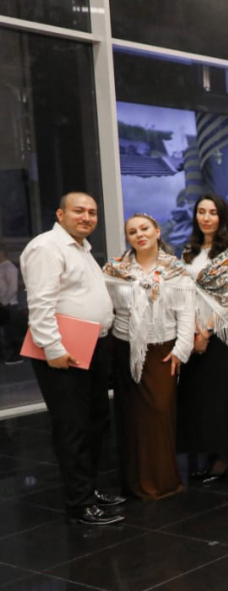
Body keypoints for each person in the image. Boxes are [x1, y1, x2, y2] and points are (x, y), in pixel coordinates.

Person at [22, 192, 124, 525]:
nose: (87, 217)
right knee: (73, 427)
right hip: (63, 350)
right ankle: (80, 503)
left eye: (92, 212)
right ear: (60, 214)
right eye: (79, 211)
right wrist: (53, 349)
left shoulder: (82, 249)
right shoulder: (46, 248)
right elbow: (41, 304)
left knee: (95, 422)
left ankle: (89, 489)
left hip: (91, 345)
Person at [104, 213, 195, 500]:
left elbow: (187, 313)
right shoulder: (114, 270)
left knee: (159, 413)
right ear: (128, 238)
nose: (139, 234)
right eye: (132, 232)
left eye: (144, 228)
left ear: (157, 232)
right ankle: (134, 483)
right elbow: (107, 309)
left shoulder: (176, 271)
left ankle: (163, 481)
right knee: (131, 419)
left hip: (162, 352)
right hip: (124, 350)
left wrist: (181, 350)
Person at [177, 193, 228, 484]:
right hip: (190, 329)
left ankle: (222, 456)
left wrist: (205, 332)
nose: (206, 218)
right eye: (201, 212)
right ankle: (204, 450)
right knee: (199, 396)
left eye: (213, 213)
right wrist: (192, 329)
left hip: (219, 334)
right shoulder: (188, 251)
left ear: (222, 217)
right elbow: (182, 291)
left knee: (221, 396)